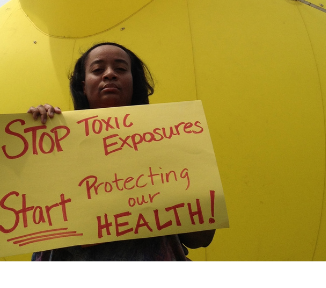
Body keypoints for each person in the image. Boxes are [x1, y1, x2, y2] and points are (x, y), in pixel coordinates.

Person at [28, 42, 215, 261]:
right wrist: (37, 132)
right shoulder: (52, 141)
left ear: (134, 83)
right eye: (98, 70)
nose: (109, 75)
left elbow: (200, 238)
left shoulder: (170, 139)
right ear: (83, 85)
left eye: (120, 69)